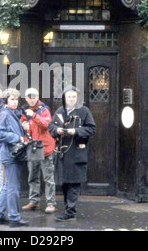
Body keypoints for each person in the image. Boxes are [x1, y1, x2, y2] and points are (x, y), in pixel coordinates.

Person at [49, 85, 96, 222]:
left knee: (74, 183)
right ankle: (68, 210)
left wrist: (75, 131)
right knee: (64, 183)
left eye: (74, 97)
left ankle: (70, 212)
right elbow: (50, 126)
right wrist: (56, 130)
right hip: (63, 154)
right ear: (64, 97)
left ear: (77, 98)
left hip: (77, 153)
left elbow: (92, 129)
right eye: (69, 96)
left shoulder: (84, 111)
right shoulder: (60, 110)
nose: (71, 99)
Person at [0, 88, 29, 228]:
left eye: (16, 99)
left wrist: (22, 129)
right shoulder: (4, 114)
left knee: (8, 186)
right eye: (12, 99)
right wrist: (17, 137)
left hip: (13, 154)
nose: (15, 102)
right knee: (13, 187)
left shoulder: (12, 114)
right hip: (10, 155)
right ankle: (14, 217)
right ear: (6, 101)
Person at [20, 88, 57, 214]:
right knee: (33, 176)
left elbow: (46, 125)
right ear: (26, 98)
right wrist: (23, 128)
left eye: (34, 97)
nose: (32, 99)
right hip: (32, 147)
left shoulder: (44, 110)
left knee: (48, 177)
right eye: (29, 97)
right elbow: (23, 128)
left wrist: (34, 116)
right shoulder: (24, 111)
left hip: (45, 148)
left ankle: (51, 203)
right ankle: (33, 201)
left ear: (37, 97)